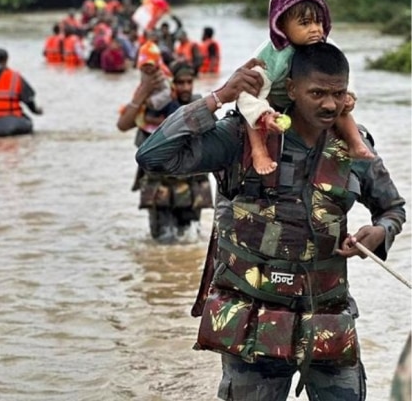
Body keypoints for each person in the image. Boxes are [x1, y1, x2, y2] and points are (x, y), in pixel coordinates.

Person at [136, 42, 406, 400]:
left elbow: (393, 209)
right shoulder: (244, 136)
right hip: (251, 323)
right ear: (291, 89)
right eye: (317, 93)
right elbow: (153, 155)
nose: (329, 104)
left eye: (338, 93)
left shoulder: (353, 146)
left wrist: (379, 233)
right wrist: (219, 97)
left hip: (327, 319)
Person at [238, 0, 373, 175]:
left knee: (336, 103)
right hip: (273, 101)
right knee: (252, 118)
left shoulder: (327, 46)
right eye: (305, 23)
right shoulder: (270, 54)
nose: (315, 29)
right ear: (281, 24)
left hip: (309, 104)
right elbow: (249, 91)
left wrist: (349, 95)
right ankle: (259, 151)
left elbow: (343, 71)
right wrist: (263, 114)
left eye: (318, 22)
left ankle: (355, 142)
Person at [118, 60, 213, 241]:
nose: (185, 87)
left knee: (190, 240)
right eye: (180, 83)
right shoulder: (153, 109)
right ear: (171, 84)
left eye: (189, 82)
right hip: (160, 188)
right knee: (162, 241)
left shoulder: (198, 106)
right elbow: (123, 125)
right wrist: (143, 92)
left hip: (191, 187)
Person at [0, 48, 43, 137]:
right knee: (28, 123)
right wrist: (36, 111)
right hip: (16, 124)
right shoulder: (15, 77)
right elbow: (29, 100)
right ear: (7, 59)